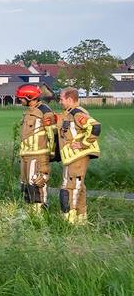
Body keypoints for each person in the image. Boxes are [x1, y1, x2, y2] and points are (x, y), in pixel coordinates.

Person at [56, 87, 102, 224]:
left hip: (78, 156)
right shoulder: (69, 113)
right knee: (78, 187)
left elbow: (95, 127)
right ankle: (81, 220)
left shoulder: (77, 113)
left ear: (70, 99)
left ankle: (70, 221)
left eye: (61, 99)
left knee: (69, 187)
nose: (60, 102)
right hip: (71, 157)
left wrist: (83, 144)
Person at [15, 84, 55, 212]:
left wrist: (50, 154)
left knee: (37, 184)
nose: (20, 100)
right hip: (26, 155)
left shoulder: (45, 111)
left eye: (21, 98)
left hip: (38, 155)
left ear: (29, 97)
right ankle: (30, 214)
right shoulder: (28, 111)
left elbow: (52, 134)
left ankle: (40, 215)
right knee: (26, 186)